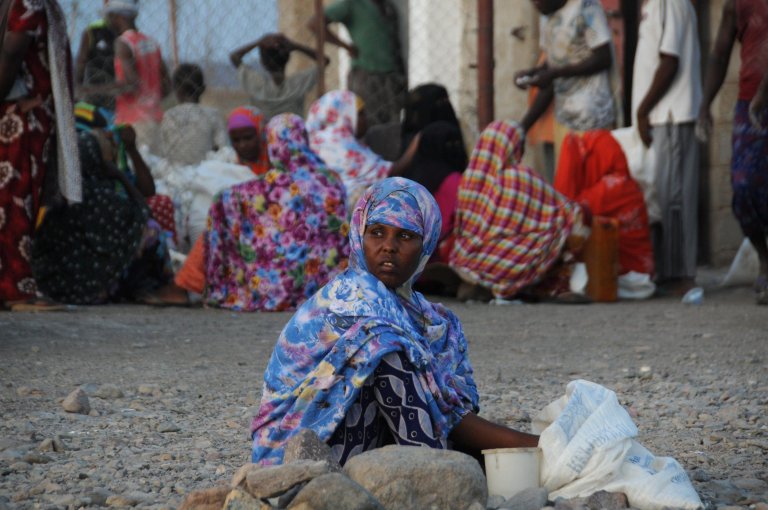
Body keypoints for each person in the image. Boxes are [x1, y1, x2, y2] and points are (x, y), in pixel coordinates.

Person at [251, 177, 539, 466]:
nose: (389, 246)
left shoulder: (432, 319)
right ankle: (433, 469)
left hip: (373, 443)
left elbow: (450, 412)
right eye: (377, 232)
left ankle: (454, 467)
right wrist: (539, 445)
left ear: (426, 244)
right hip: (298, 455)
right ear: (359, 236)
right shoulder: (351, 300)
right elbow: (445, 415)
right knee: (383, 346)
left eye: (406, 236)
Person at [144, 113, 349, 311]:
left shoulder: (265, 188)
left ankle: (184, 286)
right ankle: (185, 284)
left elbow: (223, 200)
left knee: (223, 212)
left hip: (278, 287)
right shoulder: (331, 179)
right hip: (326, 285)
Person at [32, 106, 172, 304]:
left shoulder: (62, 191)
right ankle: (147, 286)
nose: (112, 143)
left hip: (62, 286)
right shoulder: (102, 194)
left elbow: (148, 190)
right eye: (106, 141)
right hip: (96, 284)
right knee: (151, 230)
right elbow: (144, 211)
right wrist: (119, 176)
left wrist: (131, 151)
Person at [449, 120, 589, 303]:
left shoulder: (469, 179)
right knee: (572, 219)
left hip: (466, 259)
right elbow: (564, 209)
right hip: (508, 264)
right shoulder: (518, 175)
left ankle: (478, 282)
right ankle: (554, 285)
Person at [0, 0, 81, 311]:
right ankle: (16, 289)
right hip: (20, 117)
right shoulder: (29, 2)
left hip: (20, 113)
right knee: (15, 201)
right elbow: (12, 49)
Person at [698, 0, 768, 305]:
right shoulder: (736, 4)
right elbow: (718, 53)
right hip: (750, 105)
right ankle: (764, 258)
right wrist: (704, 106)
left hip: (758, 100)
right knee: (743, 186)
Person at [631, 0, 701, 296]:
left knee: (675, 198)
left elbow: (670, 60)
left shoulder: (670, 3)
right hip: (663, 116)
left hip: (672, 113)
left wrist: (643, 110)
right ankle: (669, 271)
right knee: (665, 195)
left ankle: (681, 273)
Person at [515, 0, 617, 166]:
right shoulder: (547, 17)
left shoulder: (586, 7)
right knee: (565, 180)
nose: (536, 5)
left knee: (593, 179)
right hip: (564, 120)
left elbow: (603, 57)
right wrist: (533, 74)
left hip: (592, 119)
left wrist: (556, 73)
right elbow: (554, 64)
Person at [555, 130, 655, 290]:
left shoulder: (609, 188)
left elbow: (568, 211)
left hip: (629, 279)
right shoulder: (625, 183)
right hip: (641, 273)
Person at [306, 90, 418, 212]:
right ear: (345, 115)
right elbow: (389, 172)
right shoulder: (340, 144)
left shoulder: (313, 139)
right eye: (360, 114)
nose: (365, 118)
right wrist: (418, 142)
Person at [308, 0, 406, 126]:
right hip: (367, 73)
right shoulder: (353, 4)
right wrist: (346, 47)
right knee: (369, 124)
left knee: (393, 124)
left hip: (391, 75)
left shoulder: (387, 6)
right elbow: (314, 24)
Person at [102, 0, 171, 154]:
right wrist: (151, 100)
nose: (108, 22)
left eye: (110, 16)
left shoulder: (123, 43)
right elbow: (167, 85)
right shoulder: (151, 42)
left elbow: (132, 85)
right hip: (154, 120)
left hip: (132, 124)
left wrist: (93, 90)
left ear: (118, 17)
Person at [230, 32, 327, 121]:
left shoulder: (257, 84)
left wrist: (258, 43)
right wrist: (295, 46)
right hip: (292, 132)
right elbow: (325, 61)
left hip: (265, 133)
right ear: (288, 59)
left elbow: (234, 57)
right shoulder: (297, 84)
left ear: (263, 62)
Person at [160, 63, 228, 166]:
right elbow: (223, 148)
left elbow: (163, 151)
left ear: (175, 89)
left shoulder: (168, 116)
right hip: (206, 169)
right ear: (203, 89)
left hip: (176, 171)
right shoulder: (213, 115)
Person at [74, 16, 116, 110]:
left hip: (101, 92)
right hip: (100, 92)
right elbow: (81, 60)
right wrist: (78, 86)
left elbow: (81, 61)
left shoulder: (93, 29)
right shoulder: (93, 30)